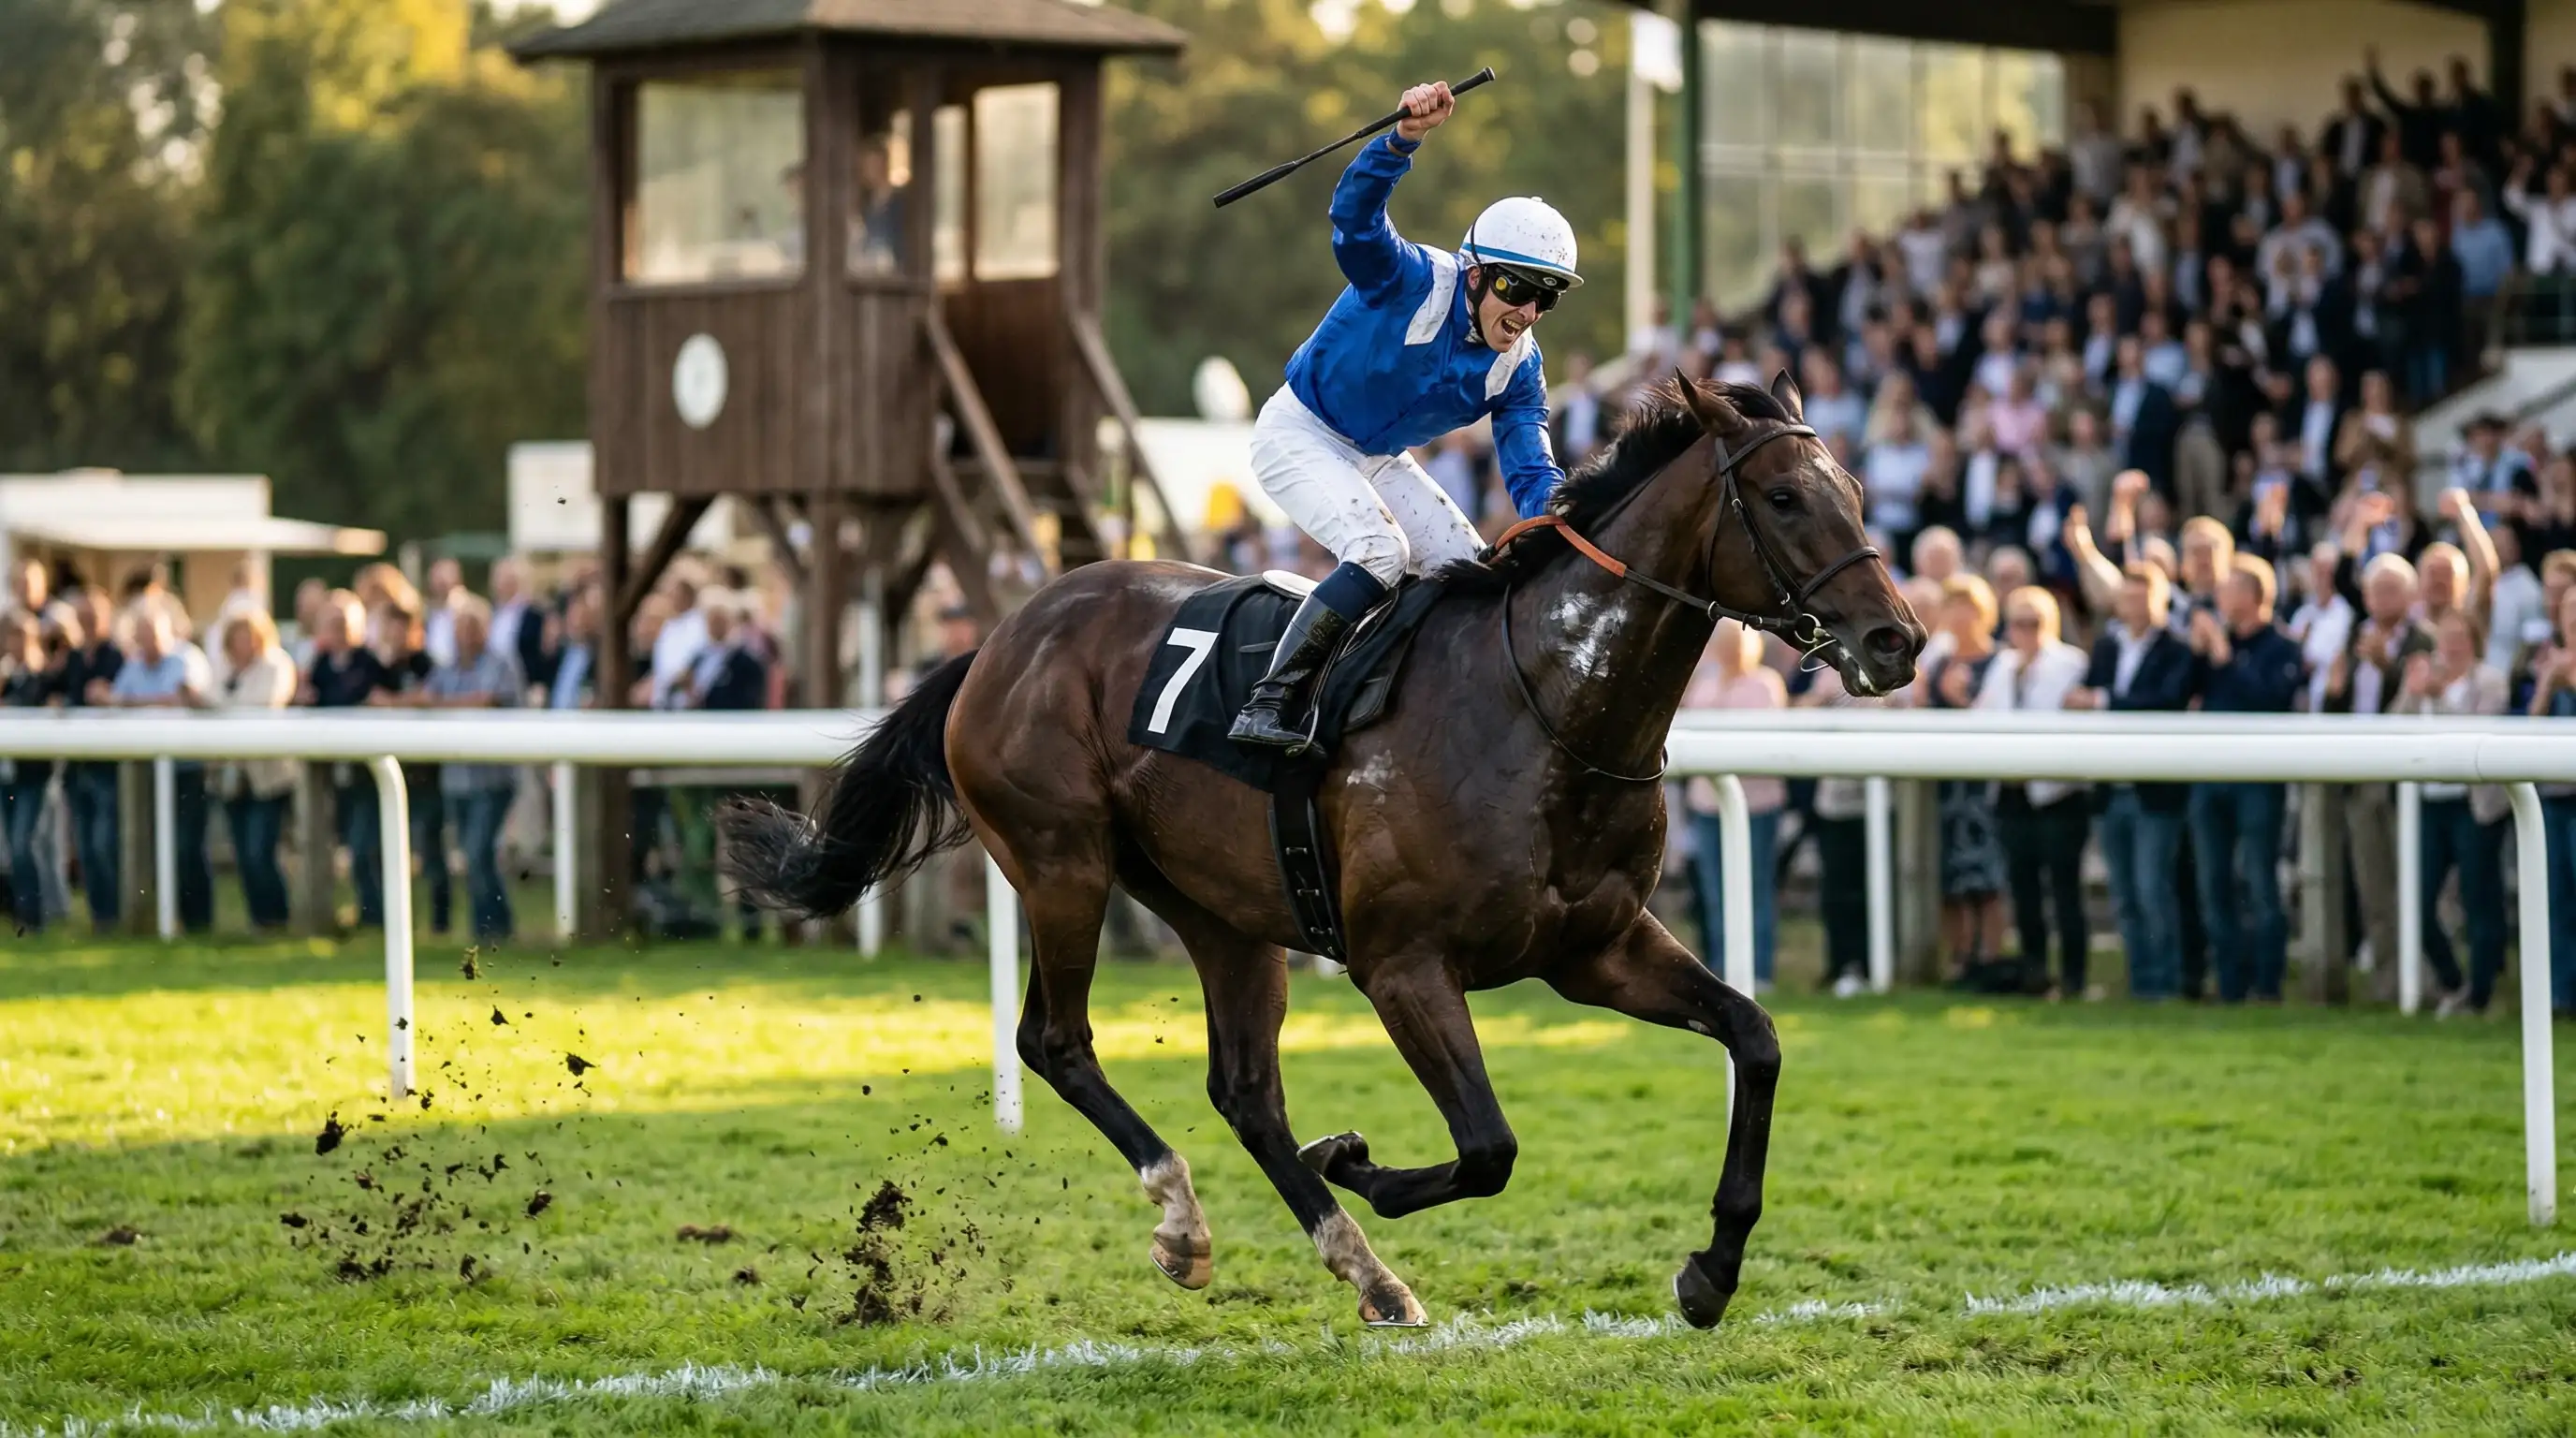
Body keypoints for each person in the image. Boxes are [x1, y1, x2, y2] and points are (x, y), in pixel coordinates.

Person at [1230, 80, 1578, 749]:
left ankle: (1409, 715)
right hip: (1298, 431)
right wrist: (1401, 141)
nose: (1528, 312)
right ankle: (1267, 703)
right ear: (1475, 273)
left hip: (1377, 459)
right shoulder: (1412, 278)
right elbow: (1356, 221)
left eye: (1547, 298)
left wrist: (1568, 524)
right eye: (1517, 287)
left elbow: (1532, 472)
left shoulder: (1521, 367)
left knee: (1471, 573)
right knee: (1380, 550)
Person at [2068, 564, 2196, 999]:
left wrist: (2102, 701)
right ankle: (2142, 985)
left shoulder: (2177, 648)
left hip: (2154, 792)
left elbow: (2166, 701)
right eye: (2128, 597)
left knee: (2152, 890)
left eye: (2142, 597)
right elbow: (2088, 693)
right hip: (2111, 790)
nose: (2134, 606)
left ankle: (2167, 985)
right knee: (2124, 895)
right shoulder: (2107, 646)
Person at [2187, 554, 2305, 1003]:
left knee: (2259, 881)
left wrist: (2223, 654)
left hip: (2258, 780)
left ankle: (2268, 984)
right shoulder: (2217, 642)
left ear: (2255, 596)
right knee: (2213, 884)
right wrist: (2199, 654)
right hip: (2209, 776)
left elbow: (2270, 700)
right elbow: (2184, 693)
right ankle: (2230, 985)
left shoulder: (2282, 646)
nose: (2219, 596)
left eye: (2229, 588)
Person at [1977, 587, 2092, 999]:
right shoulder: (2002, 665)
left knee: (2065, 891)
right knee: (2023, 891)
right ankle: (2035, 974)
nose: (2025, 631)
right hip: (2013, 795)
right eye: (2018, 624)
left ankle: (2075, 980)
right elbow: (1983, 715)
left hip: (2059, 796)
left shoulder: (2071, 663)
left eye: (2033, 623)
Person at [2399, 609, 2510, 1016]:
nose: (2451, 645)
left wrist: (2439, 696)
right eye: (2445, 637)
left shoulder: (2490, 680)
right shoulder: (2425, 676)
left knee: (2480, 899)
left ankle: (2480, 994)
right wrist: (2412, 690)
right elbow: (2394, 725)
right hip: (2430, 803)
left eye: (2460, 636)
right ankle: (2452, 980)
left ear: (2474, 640)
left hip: (2473, 804)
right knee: (2417, 898)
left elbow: (2476, 736)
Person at [1679, 621, 1784, 989]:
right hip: (1708, 804)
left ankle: (1760, 969)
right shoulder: (1704, 684)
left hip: (1757, 804)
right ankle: (1723, 968)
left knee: (1756, 887)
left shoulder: (1765, 684)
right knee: (1714, 890)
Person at [417, 597, 524, 944]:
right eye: (460, 628)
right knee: (473, 856)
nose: (466, 635)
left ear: (486, 630)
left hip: (493, 779)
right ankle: (491, 927)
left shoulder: (501, 664)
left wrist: (441, 705)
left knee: (478, 853)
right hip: (457, 780)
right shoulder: (447, 668)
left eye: (472, 628)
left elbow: (485, 700)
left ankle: (493, 927)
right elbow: (424, 699)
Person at [1917, 576, 2009, 981]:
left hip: (1985, 788)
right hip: (1946, 788)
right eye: (1952, 607)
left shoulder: (2001, 661)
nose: (1958, 616)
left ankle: (1990, 959)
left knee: (1987, 879)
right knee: (1950, 880)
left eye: (1966, 607)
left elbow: (1998, 717)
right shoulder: (1937, 662)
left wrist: (1961, 701)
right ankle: (1958, 960)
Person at [109, 603, 214, 932]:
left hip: (189, 769)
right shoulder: (134, 664)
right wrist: (152, 700)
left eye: (152, 635)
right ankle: (166, 917)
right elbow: (116, 700)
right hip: (150, 772)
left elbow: (181, 699)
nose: (147, 643)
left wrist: (137, 702)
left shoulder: (187, 658)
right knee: (156, 846)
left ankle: (199, 920)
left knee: (188, 845)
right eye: (141, 636)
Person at [209, 609, 299, 932]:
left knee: (261, 850)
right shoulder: (225, 670)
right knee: (244, 854)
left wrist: (219, 707)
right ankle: (259, 920)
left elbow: (264, 703)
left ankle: (278, 917)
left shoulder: (276, 664)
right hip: (233, 777)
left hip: (268, 776)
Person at [303, 591, 387, 927]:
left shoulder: (370, 662)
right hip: (332, 770)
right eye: (332, 624)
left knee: (364, 846)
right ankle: (355, 912)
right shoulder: (321, 663)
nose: (338, 631)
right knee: (343, 845)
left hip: (368, 769)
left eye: (343, 624)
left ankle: (376, 915)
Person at [2526, 585, 2576, 1019]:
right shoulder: (2550, 658)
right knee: (2556, 901)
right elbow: (2531, 724)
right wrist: (2548, 683)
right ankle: (2561, 995)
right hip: (2555, 798)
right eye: (2569, 610)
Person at [60, 587, 123, 931]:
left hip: (105, 766)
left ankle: (115, 912)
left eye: (92, 617)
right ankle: (101, 917)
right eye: (82, 617)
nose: (86, 623)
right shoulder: (72, 657)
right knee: (85, 847)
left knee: (103, 844)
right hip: (77, 765)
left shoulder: (116, 656)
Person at [0, 611, 59, 932]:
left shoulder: (44, 677)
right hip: (8, 775)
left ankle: (36, 916)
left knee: (26, 844)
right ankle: (24, 916)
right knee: (14, 847)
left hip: (33, 777)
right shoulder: (8, 677)